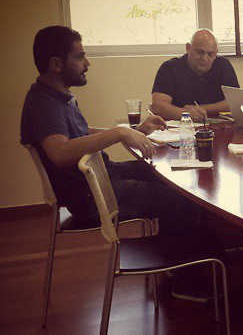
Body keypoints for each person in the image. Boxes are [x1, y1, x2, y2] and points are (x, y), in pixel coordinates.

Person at [21, 26, 200, 234]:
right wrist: (119, 133)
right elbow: (60, 152)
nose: (87, 63)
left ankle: (179, 248)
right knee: (182, 196)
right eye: (80, 57)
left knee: (164, 173)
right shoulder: (44, 103)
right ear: (56, 64)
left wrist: (135, 130)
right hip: (89, 196)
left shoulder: (57, 95)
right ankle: (189, 253)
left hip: (101, 177)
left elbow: (81, 133)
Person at [151, 29, 239, 122]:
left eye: (210, 54)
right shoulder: (169, 68)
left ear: (216, 52)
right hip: (179, 126)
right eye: (200, 52)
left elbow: (235, 102)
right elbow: (158, 106)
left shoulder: (223, 65)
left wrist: (201, 109)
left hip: (217, 125)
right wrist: (186, 114)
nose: (205, 58)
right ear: (188, 48)